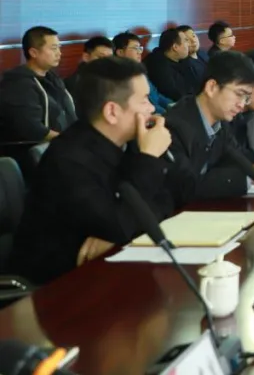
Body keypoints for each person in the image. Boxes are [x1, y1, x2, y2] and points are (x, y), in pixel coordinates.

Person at [10, 57, 176, 285]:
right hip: (56, 286)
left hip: (108, 270)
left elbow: (168, 199)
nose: (152, 108)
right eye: (144, 100)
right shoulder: (69, 159)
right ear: (112, 111)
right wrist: (149, 157)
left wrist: (117, 234)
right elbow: (121, 224)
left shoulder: (126, 143)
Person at [164, 51, 254, 204]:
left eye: (246, 98)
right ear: (212, 87)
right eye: (239, 94)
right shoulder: (174, 126)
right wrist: (248, 177)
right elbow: (184, 186)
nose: (241, 104)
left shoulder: (221, 126)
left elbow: (237, 159)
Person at [0, 26, 77, 143]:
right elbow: (33, 129)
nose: (59, 53)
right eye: (54, 48)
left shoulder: (52, 78)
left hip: (61, 143)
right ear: (33, 53)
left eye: (59, 47)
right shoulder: (19, 85)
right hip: (35, 148)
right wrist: (70, 141)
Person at [113, 32, 172, 114]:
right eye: (135, 48)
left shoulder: (139, 71)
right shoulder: (117, 77)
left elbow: (157, 95)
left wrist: (173, 105)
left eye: (140, 48)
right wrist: (165, 113)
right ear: (120, 52)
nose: (139, 52)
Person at [144, 28, 194, 102]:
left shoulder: (183, 60)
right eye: (186, 40)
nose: (189, 44)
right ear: (175, 47)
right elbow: (172, 94)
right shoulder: (158, 65)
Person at [176, 25, 207, 90]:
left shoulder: (203, 53)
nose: (193, 40)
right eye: (187, 39)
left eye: (193, 36)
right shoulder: (185, 65)